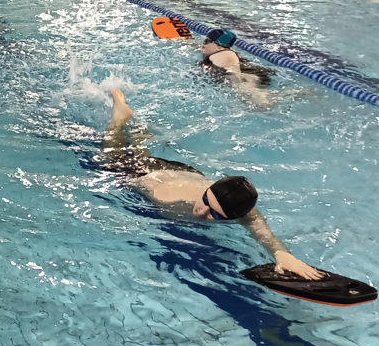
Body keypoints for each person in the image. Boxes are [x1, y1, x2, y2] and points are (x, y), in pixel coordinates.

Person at [103, 88, 323, 280]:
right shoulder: (166, 198)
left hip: (186, 173)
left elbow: (261, 230)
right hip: (155, 178)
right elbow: (134, 178)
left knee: (143, 156)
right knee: (111, 157)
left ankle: (139, 134)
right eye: (206, 202)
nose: (202, 212)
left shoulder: (238, 207)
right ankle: (119, 121)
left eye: (215, 215)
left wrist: (282, 255)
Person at [200, 28, 275, 106]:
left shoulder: (225, 55)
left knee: (262, 104)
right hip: (252, 74)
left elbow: (235, 75)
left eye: (207, 41)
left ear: (220, 46)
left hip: (247, 77)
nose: (203, 44)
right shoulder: (218, 52)